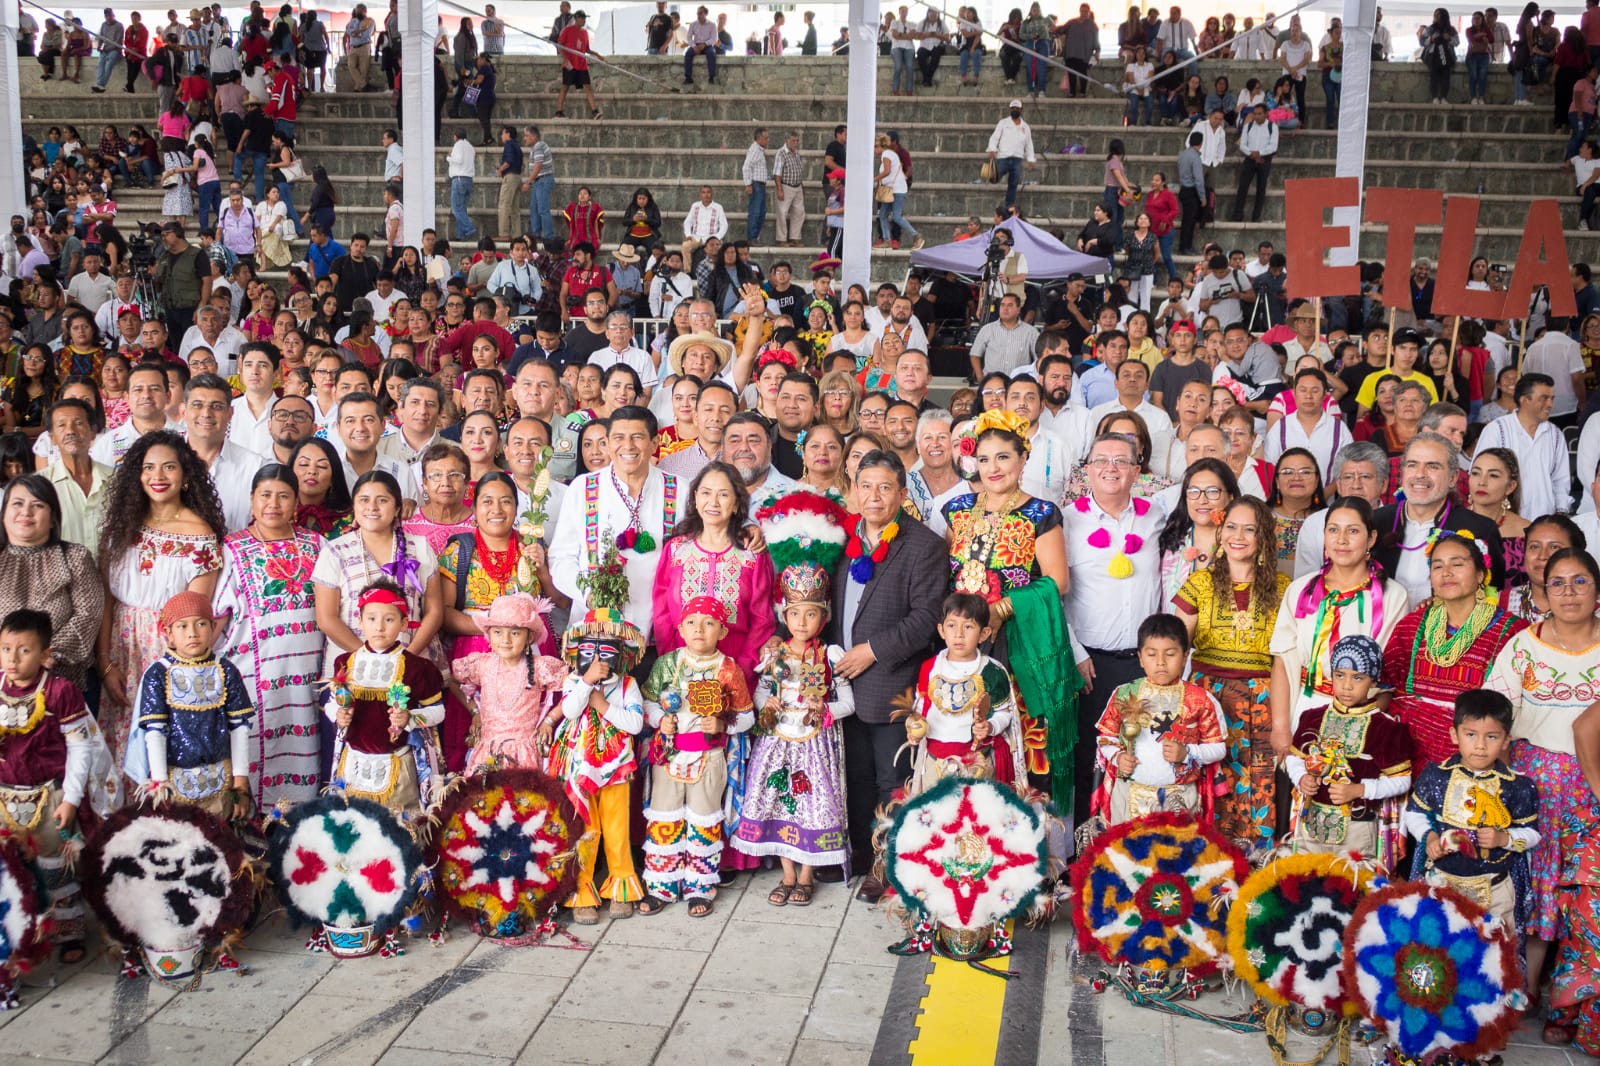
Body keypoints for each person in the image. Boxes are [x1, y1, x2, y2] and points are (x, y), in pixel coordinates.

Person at [1484, 546, 1600, 997]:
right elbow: (1495, 719)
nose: (1568, 593)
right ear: (1544, 593)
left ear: (1596, 590)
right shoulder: (1523, 646)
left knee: (1585, 895)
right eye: (1558, 583)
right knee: (1531, 887)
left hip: (1592, 788)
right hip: (1531, 791)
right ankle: (1525, 989)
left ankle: (1571, 1000)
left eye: (1580, 581)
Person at [831, 450, 945, 901]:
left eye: (885, 487)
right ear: (855, 490)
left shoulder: (924, 545)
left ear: (901, 492)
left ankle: (888, 863)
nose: (874, 496)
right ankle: (858, 852)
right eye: (866, 486)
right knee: (852, 773)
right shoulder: (839, 537)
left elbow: (926, 617)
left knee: (889, 778)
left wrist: (872, 651)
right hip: (839, 679)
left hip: (887, 679)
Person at [96, 432, 226, 767]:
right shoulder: (121, 525)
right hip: (120, 647)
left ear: (185, 477)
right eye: (149, 467)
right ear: (136, 475)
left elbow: (195, 614)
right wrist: (105, 663)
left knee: (163, 740)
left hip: (167, 650)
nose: (158, 476)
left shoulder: (200, 534)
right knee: (118, 741)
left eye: (169, 467)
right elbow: (107, 600)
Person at [0, 608, 118, 965]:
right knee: (9, 869)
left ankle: (69, 934)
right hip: (5, 796)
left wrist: (69, 799)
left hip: (49, 796)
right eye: (6, 649)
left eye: (24, 650)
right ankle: (18, 934)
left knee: (57, 870)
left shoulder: (60, 691)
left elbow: (81, 749)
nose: (13, 658)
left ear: (45, 654)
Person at [1271, 497, 1409, 801]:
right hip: (1306, 708)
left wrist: (1366, 726)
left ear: (1371, 538)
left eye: (1353, 531)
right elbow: (1283, 659)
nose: (1342, 540)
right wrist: (1281, 725)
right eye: (1333, 530)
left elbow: (1391, 673)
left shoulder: (1392, 595)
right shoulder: (1301, 590)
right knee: (1304, 795)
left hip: (1363, 717)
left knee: (1348, 800)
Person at [736, 558, 854, 901]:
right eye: (795, 614)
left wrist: (825, 708)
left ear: (825, 616)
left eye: (811, 614)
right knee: (778, 802)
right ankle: (787, 875)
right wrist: (766, 704)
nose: (802, 622)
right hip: (777, 742)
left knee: (812, 804)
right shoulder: (775, 655)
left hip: (815, 743)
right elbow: (759, 692)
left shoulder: (831, 655)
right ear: (784, 616)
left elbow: (850, 702)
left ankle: (807, 875)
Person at [1403, 688, 1539, 981]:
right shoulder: (1436, 775)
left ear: (1506, 740)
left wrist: (1506, 839)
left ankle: (1487, 1019)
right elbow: (1413, 813)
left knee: (1493, 959)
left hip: (1496, 887)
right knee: (1437, 954)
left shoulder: (1518, 786)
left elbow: (1533, 834)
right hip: (1441, 884)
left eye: (1491, 737)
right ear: (1454, 735)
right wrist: (1428, 838)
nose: (1480, 746)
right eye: (1470, 734)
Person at [213, 464, 326, 807]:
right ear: (251, 500)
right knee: (254, 744)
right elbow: (219, 611)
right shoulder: (232, 548)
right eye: (265, 495)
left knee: (306, 742)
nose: (273, 504)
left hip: (308, 673)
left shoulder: (316, 544)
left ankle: (298, 826)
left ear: (295, 503)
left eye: (283, 496)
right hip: (254, 669)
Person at [637, 596, 754, 916]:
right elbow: (647, 703)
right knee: (664, 817)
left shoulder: (728, 669)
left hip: (709, 756)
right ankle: (661, 885)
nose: (699, 629)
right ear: (680, 629)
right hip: (670, 755)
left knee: (704, 821)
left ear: (722, 631)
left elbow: (747, 716)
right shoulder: (667, 665)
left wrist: (723, 723)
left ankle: (700, 888)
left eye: (709, 623)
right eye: (691, 622)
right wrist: (660, 719)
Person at [543, 580, 647, 924]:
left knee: (617, 828)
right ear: (578, 655)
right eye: (591, 651)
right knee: (585, 828)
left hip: (616, 766)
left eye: (607, 651)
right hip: (579, 766)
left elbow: (634, 725)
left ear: (622, 653)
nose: (598, 659)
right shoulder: (575, 681)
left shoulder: (629, 686)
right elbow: (570, 711)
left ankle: (620, 885)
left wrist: (603, 705)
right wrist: (587, 684)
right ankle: (582, 889)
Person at [1382, 531, 1526, 770]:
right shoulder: (1412, 626)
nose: (1446, 573)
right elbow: (1386, 686)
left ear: (1481, 574)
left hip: (1473, 755)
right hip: (1405, 752)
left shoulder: (1511, 632)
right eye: (1437, 566)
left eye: (1457, 564)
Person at [1282, 633, 1412, 866]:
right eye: (1340, 676)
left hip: (1358, 830)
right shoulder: (1312, 718)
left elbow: (1401, 781)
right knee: (1304, 883)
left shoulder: (1386, 728)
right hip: (1309, 824)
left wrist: (1359, 790)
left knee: (1353, 891)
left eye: (1358, 678)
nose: (1347, 686)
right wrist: (1301, 777)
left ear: (1374, 682)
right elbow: (1294, 758)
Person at [126, 590, 254, 819]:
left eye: (201, 624)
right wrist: (159, 784)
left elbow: (239, 727)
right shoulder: (158, 674)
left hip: (221, 783)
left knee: (222, 842)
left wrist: (241, 780)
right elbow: (155, 731)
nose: (192, 633)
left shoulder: (226, 671)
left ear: (213, 627)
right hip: (174, 785)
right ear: (168, 633)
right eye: (182, 626)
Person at [322, 580, 445, 813]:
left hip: (398, 767)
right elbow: (331, 703)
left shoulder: (418, 668)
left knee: (398, 831)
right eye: (371, 619)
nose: (379, 627)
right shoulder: (344, 663)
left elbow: (438, 712)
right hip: (352, 765)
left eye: (389, 619)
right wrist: (338, 714)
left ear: (404, 623)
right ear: (360, 621)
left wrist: (410, 718)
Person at [1093, 611, 1227, 824]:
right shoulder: (1125, 693)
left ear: (1185, 657)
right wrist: (1118, 758)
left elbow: (1218, 748)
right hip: (1129, 795)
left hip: (1180, 798)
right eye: (1152, 654)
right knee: (1126, 853)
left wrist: (1187, 753)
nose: (1161, 662)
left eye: (1170, 654)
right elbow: (1105, 738)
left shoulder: (1200, 699)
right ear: (1140, 657)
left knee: (1176, 854)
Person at [312, 470, 443, 676]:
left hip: (410, 665)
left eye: (382, 500)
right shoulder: (334, 551)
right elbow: (326, 618)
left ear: (397, 507)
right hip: (351, 666)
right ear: (354, 506)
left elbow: (434, 611)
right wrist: (370, 659)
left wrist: (407, 659)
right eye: (364, 500)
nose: (372, 507)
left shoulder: (419, 547)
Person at [451, 592, 566, 776]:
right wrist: (474, 711)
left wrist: (549, 721)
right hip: (487, 752)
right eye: (498, 632)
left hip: (524, 755)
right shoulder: (481, 664)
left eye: (514, 633)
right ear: (489, 634)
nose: (505, 640)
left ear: (529, 638)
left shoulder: (539, 667)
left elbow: (573, 688)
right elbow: (452, 682)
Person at [1474, 373, 1571, 520]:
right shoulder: (1497, 430)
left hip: (1544, 522)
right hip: (1503, 522)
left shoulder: (1556, 435)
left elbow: (1561, 481)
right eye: (1544, 398)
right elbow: (1480, 476)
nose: (1550, 404)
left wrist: (1560, 514)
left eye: (1552, 398)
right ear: (1524, 400)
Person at [1231, 104, 1279, 224]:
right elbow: (1243, 144)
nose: (1257, 116)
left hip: (1264, 160)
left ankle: (1256, 216)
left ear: (1265, 114)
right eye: (1255, 114)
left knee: (1261, 189)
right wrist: (1252, 154)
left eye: (1259, 114)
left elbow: (1273, 146)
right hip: (1250, 159)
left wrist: (1259, 154)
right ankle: (1237, 215)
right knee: (1242, 187)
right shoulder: (1248, 126)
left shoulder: (1272, 127)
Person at [555, 9, 603, 120]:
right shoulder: (567, 30)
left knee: (587, 87)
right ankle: (558, 111)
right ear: (576, 19)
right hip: (570, 64)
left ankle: (594, 111)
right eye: (582, 18)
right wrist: (565, 59)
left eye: (584, 18)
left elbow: (586, 49)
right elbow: (560, 45)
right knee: (565, 87)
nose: (584, 20)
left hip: (581, 64)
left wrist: (597, 54)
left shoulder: (585, 33)